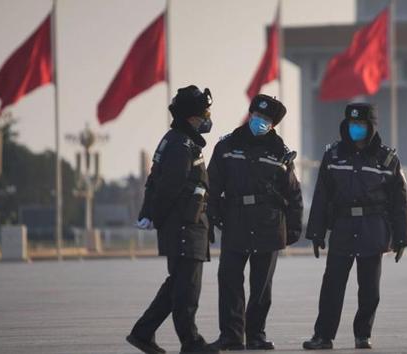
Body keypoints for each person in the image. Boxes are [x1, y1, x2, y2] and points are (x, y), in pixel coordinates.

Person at [302, 103, 407, 350]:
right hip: (342, 227)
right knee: (332, 285)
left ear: (371, 127)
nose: (356, 129)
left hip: (373, 227)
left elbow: (400, 200)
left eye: (361, 125)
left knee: (369, 288)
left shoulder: (387, 158)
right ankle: (323, 336)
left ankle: (363, 334)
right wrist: (317, 232)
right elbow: (322, 196)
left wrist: (402, 236)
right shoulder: (333, 155)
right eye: (352, 125)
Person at [207, 94, 303, 351]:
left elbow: (293, 192)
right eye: (256, 115)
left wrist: (294, 226)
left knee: (261, 285)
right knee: (229, 279)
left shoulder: (280, 153)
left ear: (273, 124)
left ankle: (256, 335)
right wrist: (213, 215)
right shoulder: (226, 146)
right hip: (235, 220)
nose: (259, 121)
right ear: (250, 114)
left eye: (265, 119)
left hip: (268, 223)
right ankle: (231, 335)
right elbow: (212, 185)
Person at [127, 85, 218, 354]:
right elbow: (168, 187)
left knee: (177, 286)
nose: (208, 118)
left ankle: (142, 333)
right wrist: (154, 216)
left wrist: (150, 214)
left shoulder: (178, 140)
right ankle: (191, 343)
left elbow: (157, 182)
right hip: (184, 227)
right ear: (192, 117)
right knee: (186, 290)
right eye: (205, 113)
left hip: (188, 226)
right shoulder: (181, 145)